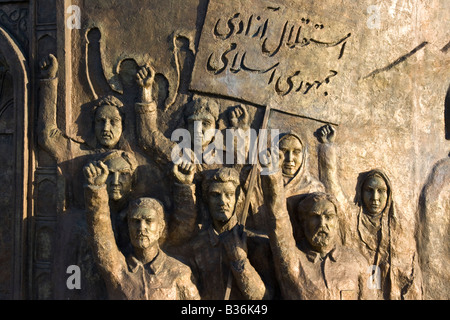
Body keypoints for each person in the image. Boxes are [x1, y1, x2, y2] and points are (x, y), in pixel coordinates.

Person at [83, 160, 200, 300]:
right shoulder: (118, 270)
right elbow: (101, 235)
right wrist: (96, 189)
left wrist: (184, 186)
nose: (141, 227)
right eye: (135, 221)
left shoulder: (179, 273)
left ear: (161, 227)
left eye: (149, 221)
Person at [260, 162, 370, 300]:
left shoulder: (358, 262)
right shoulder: (292, 260)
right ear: (303, 222)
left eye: (329, 217)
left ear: (336, 221)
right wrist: (272, 174)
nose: (322, 224)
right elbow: (278, 220)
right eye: (315, 217)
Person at [38, 54, 128, 207]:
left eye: (113, 122)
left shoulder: (133, 161)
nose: (106, 128)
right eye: (101, 121)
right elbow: (48, 136)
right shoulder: (76, 154)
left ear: (123, 125)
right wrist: (49, 81)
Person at [174, 167, 275, 300]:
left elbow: (265, 297)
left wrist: (240, 262)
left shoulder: (258, 244)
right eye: (215, 195)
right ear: (206, 199)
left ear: (238, 198)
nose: (222, 202)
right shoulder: (196, 248)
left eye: (229, 194)